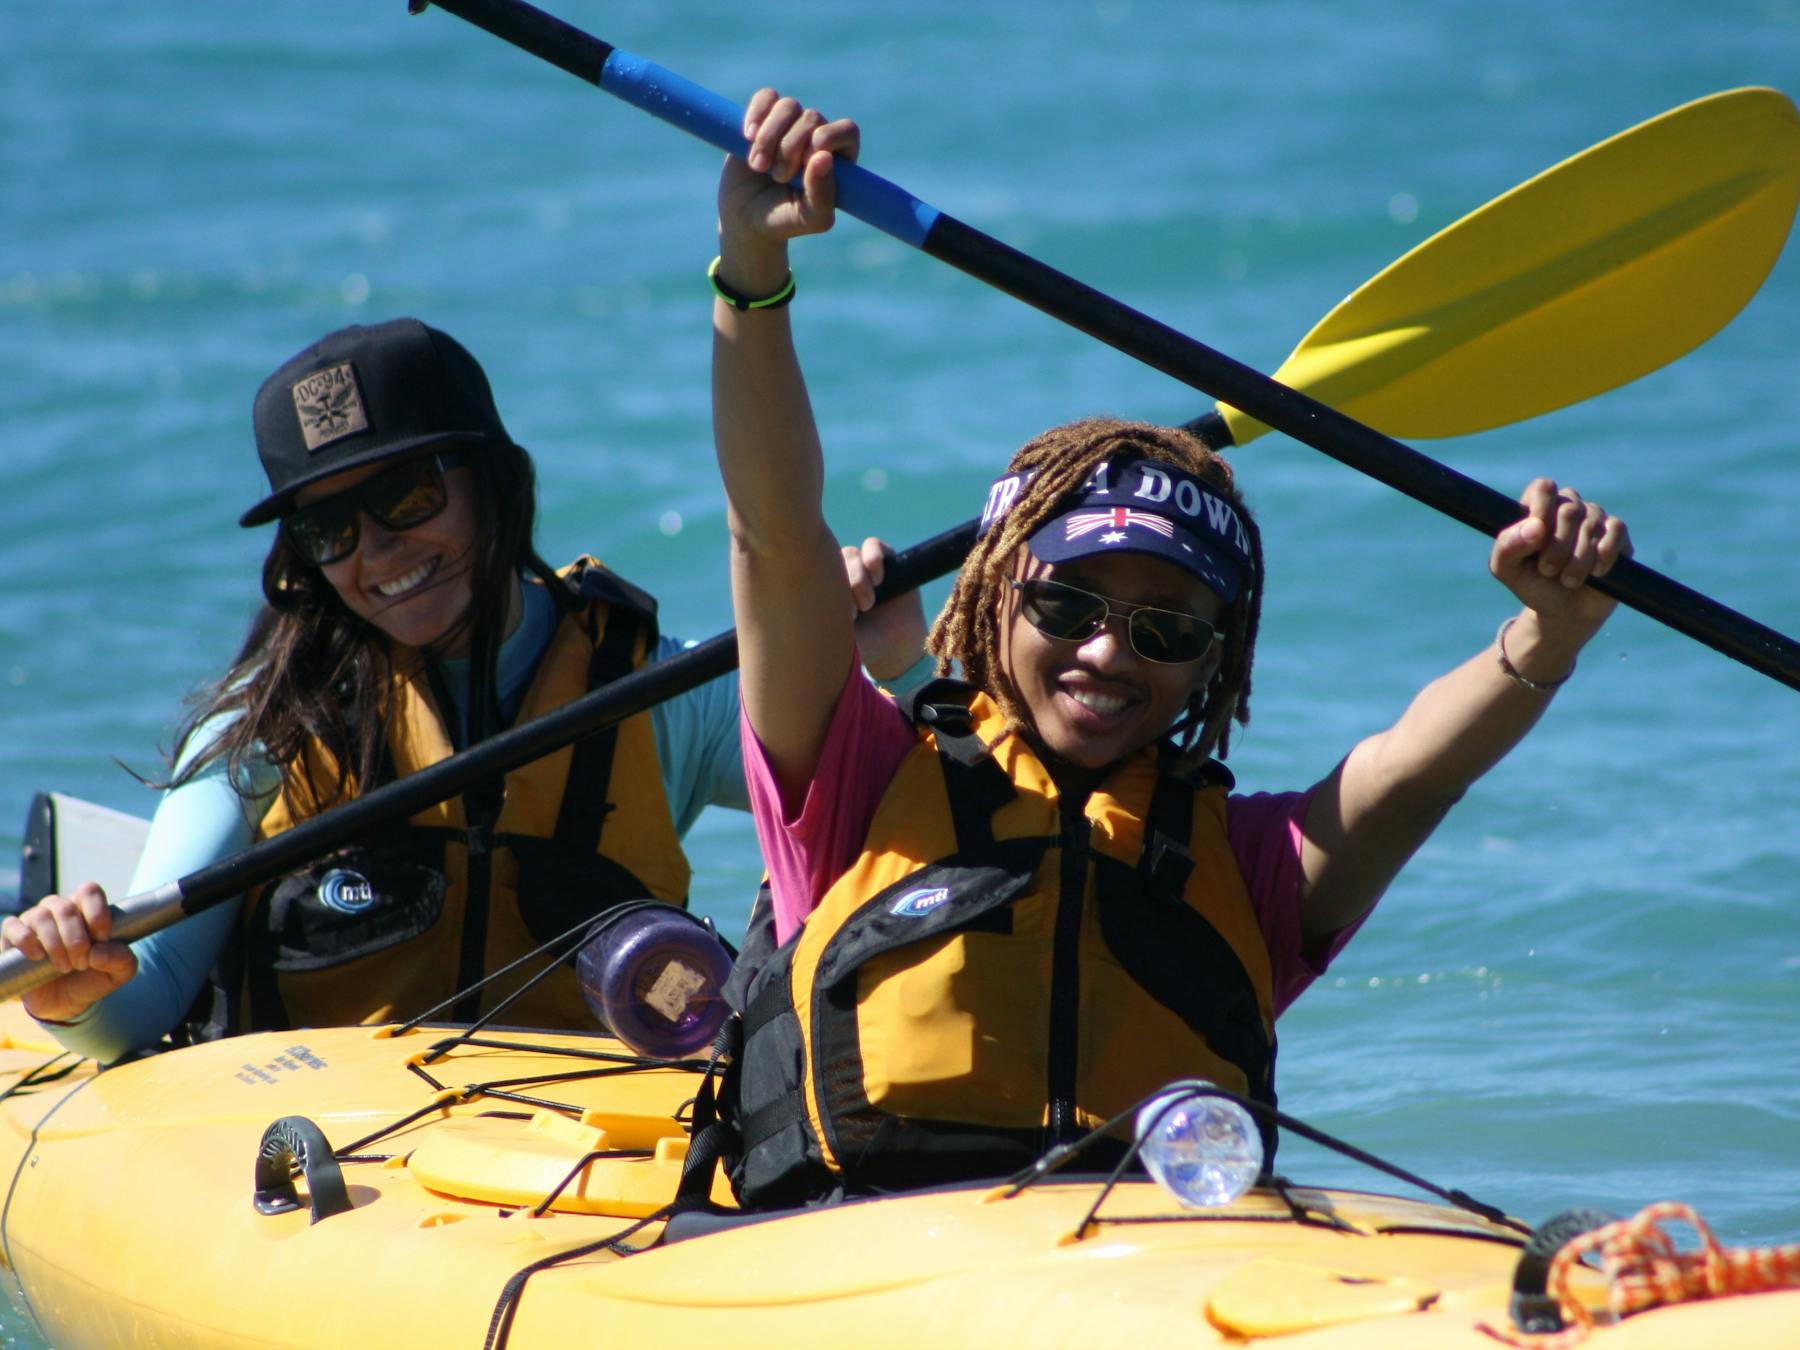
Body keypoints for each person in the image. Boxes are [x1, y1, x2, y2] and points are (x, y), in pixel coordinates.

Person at [706, 93, 1632, 1207]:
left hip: (1146, 1273)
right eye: (1068, 607)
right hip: (861, 1262)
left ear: (1212, 663)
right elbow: (776, 539)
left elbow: (1412, 768)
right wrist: (753, 276)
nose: (1107, 651)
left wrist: (1549, 629)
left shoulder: (1247, 870)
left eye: (1166, 628)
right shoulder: (855, 778)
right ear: (995, 598)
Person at [2, 317, 929, 1063]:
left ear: (493, 485)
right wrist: (79, 995)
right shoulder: (262, 735)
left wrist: (896, 667)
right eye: (329, 530)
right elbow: (147, 1000)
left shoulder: (654, 689)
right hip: (326, 1173)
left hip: (575, 1159)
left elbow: (903, 812)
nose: (376, 554)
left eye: (407, 499)